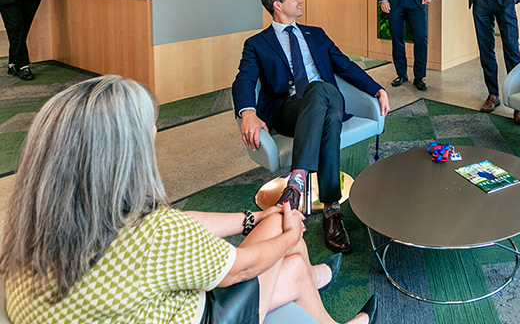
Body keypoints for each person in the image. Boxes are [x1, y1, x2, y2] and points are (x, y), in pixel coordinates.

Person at [0, 75, 379, 324]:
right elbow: (240, 268)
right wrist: (289, 230)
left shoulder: (34, 229)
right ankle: (309, 275)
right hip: (202, 317)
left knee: (291, 258)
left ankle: (311, 277)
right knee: (287, 238)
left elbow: (168, 222)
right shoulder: (155, 237)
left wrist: (250, 219)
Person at [232, 0, 390, 255]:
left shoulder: (315, 34)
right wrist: (247, 112)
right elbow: (244, 79)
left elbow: (345, 65)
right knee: (325, 109)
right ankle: (332, 211)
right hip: (289, 110)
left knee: (320, 90)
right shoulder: (257, 43)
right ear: (277, 4)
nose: (300, 0)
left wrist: (377, 88)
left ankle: (298, 178)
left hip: (328, 99)